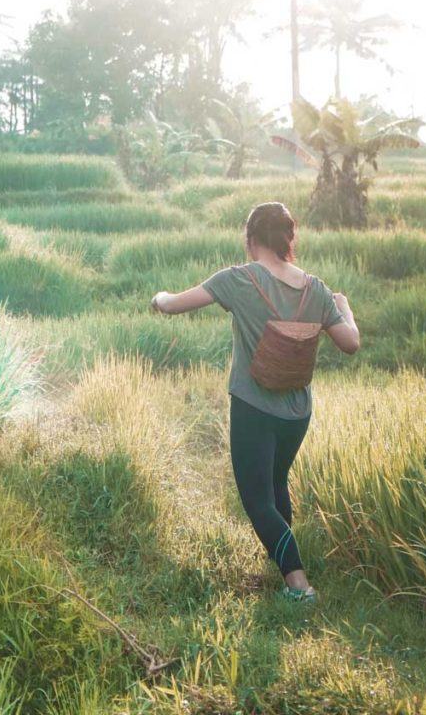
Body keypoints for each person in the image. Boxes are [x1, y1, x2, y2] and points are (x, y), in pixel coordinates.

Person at [150, 201, 360, 603]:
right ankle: (279, 566)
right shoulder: (315, 288)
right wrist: (345, 308)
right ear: (288, 239)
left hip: (254, 408)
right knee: (276, 484)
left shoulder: (238, 279)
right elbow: (350, 343)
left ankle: (298, 585)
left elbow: (174, 304)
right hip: (298, 411)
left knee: (257, 499)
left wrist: (159, 297)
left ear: (250, 240)